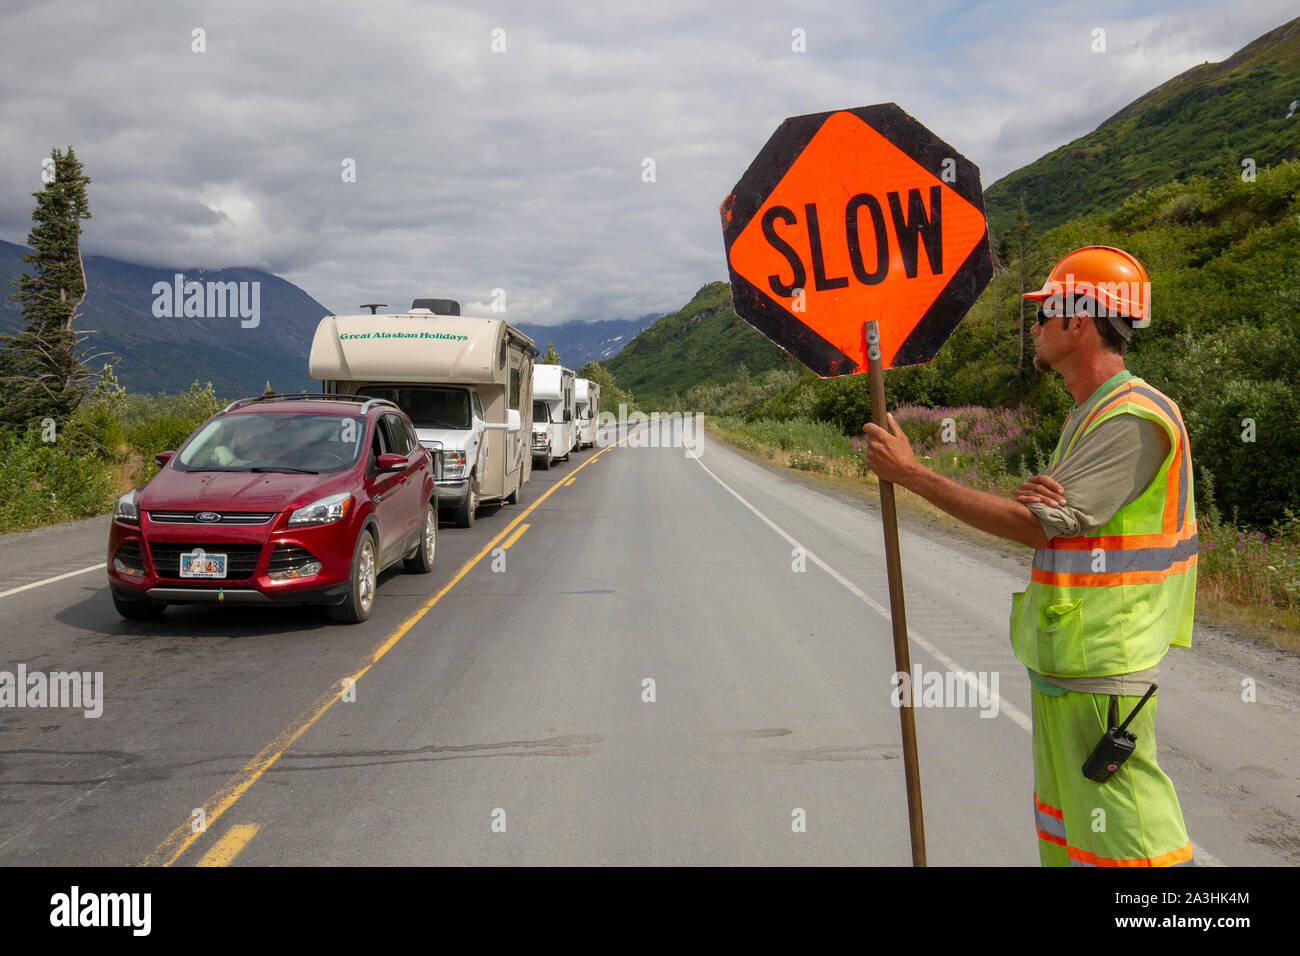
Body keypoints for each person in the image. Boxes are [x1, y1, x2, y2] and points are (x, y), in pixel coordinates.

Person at [861, 245, 1196, 867]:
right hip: (1069, 660)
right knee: (1074, 840)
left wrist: (913, 476)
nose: (1035, 325)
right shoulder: (1088, 414)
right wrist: (1044, 514)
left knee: (1129, 843)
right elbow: (1049, 519)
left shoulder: (1130, 418)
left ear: (1081, 321)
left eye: (1045, 312)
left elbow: (1036, 526)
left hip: (1103, 662)